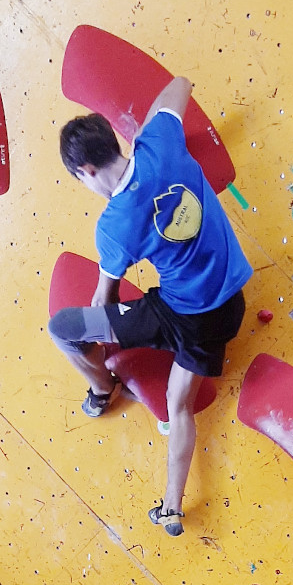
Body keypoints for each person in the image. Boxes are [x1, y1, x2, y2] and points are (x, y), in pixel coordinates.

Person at [48, 76, 252, 537]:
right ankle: (170, 509)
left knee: (63, 328)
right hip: (229, 308)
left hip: (181, 316)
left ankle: (102, 388)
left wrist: (108, 325)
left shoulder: (114, 227)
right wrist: (151, 129)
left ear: (86, 171)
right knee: (178, 407)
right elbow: (181, 84)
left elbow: (105, 301)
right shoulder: (160, 141)